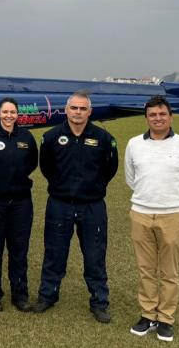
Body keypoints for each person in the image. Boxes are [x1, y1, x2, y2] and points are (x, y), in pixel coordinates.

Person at [124, 95, 179, 342]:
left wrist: (176, 201)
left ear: (170, 117)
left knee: (169, 272)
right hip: (140, 214)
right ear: (146, 118)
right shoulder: (134, 144)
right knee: (146, 269)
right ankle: (148, 315)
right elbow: (131, 178)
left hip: (173, 216)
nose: (157, 118)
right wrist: (148, 199)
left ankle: (166, 318)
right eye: (152, 115)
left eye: (162, 114)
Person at [34, 91, 118, 323]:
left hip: (92, 207)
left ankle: (99, 302)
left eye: (83, 109)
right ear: (66, 110)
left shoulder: (103, 138)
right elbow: (46, 168)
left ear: (90, 112)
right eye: (74, 108)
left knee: (94, 256)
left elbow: (110, 169)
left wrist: (91, 187)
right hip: (59, 205)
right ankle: (47, 296)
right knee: (54, 253)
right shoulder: (51, 137)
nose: (78, 112)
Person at [0, 98, 38, 313]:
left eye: (13, 112)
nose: (9, 115)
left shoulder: (27, 138)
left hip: (21, 203)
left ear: (17, 114)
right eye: (5, 112)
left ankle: (20, 295)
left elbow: (32, 163)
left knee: (19, 251)